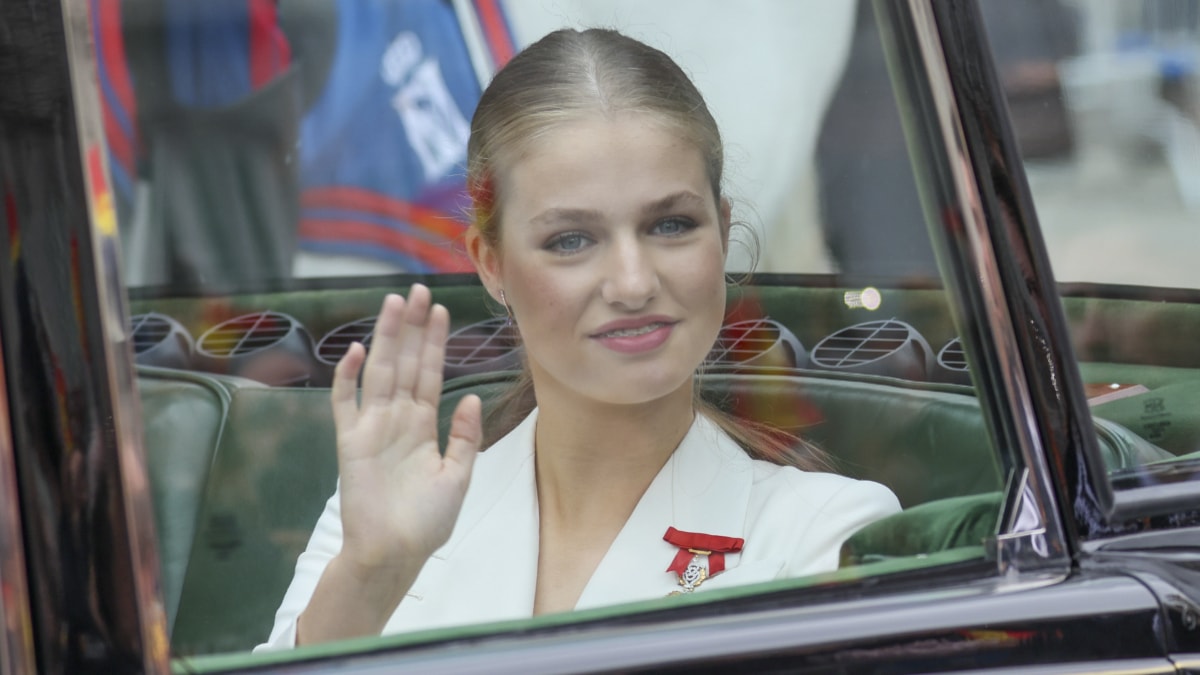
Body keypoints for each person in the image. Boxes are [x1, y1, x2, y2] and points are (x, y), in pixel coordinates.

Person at [258, 27, 900, 650]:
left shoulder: (828, 536)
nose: (631, 282)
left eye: (671, 225)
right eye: (571, 240)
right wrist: (371, 575)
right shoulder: (380, 518)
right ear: (490, 262)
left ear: (723, 233)